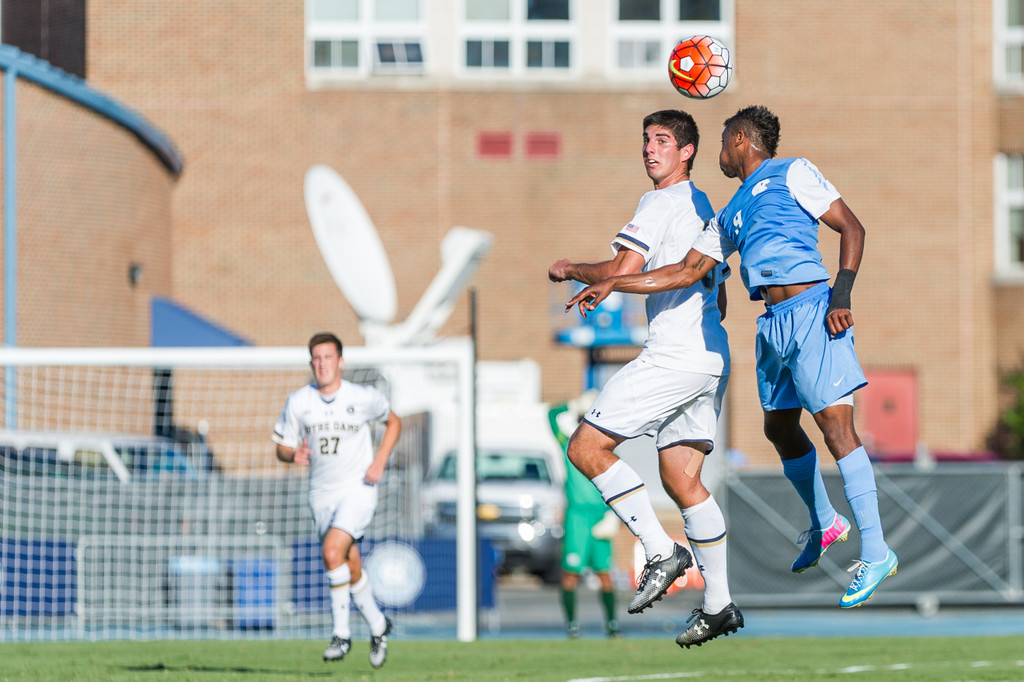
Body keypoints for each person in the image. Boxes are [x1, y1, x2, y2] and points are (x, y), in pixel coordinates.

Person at [567, 105, 897, 609]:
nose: (720, 153)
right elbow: (685, 271)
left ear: (741, 138)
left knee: (835, 425)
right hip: (771, 324)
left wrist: (842, 295)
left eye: (724, 142)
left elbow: (852, 227)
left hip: (813, 309)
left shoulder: (792, 171)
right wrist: (613, 281)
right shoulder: (730, 211)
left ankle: (876, 551)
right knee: (779, 430)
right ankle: (826, 521)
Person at [549, 109, 743, 649]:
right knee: (682, 480)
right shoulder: (705, 205)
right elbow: (721, 295)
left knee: (585, 447)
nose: (649, 149)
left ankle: (662, 551)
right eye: (645, 140)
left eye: (662, 140)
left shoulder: (659, 202)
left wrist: (570, 269)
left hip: (674, 355)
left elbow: (621, 271)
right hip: (711, 357)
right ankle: (720, 602)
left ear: (687, 151)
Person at [273, 332, 402, 666]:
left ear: (340, 361)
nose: (322, 364)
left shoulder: (363, 397)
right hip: (321, 494)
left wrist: (380, 461)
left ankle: (341, 634)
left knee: (332, 552)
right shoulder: (300, 401)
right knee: (350, 564)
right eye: (316, 358)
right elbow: (282, 446)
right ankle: (378, 623)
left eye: (328, 357)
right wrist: (292, 455)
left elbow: (394, 422)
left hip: (358, 488)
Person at [548, 392, 621, 639]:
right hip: (577, 517)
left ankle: (611, 626)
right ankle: (571, 626)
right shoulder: (568, 443)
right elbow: (550, 416)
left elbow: (620, 485)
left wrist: (614, 514)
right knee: (571, 573)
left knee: (604, 574)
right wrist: (572, 402)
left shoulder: (607, 449)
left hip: (600, 517)